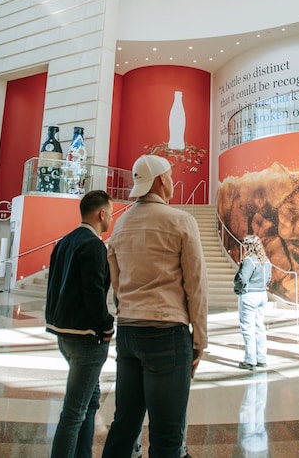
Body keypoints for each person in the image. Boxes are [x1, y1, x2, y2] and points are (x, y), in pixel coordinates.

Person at [101, 155, 208, 458]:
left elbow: (116, 282)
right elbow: (196, 284)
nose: (172, 181)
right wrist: (200, 338)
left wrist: (127, 313)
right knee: (167, 435)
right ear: (161, 180)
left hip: (128, 332)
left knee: (124, 424)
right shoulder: (180, 220)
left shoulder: (121, 224)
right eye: (171, 176)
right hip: (167, 334)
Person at [46, 190, 116, 458]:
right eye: (110, 213)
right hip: (86, 337)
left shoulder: (64, 242)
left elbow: (54, 286)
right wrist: (107, 325)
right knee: (74, 412)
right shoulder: (93, 245)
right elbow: (93, 292)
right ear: (101, 214)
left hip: (63, 333)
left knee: (91, 401)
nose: (110, 218)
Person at [237, 235, 271, 370]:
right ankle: (261, 358)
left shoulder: (249, 261)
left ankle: (250, 360)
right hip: (262, 295)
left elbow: (242, 278)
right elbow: (269, 278)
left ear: (248, 246)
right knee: (259, 327)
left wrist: (237, 288)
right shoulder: (266, 261)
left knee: (248, 328)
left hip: (249, 295)